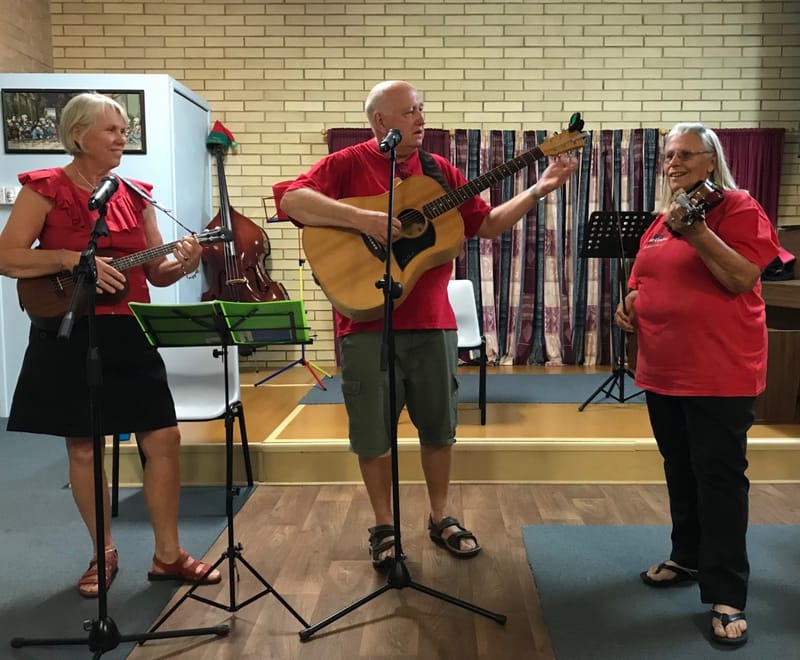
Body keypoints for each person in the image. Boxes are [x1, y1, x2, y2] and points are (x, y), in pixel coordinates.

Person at [280, 80, 579, 570]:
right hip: (365, 328)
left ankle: (440, 517)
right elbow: (293, 201)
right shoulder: (347, 163)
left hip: (433, 325)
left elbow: (487, 225)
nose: (421, 119)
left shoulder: (440, 173)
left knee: (439, 430)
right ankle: (383, 526)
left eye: (421, 110)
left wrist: (540, 188)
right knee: (373, 436)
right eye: (409, 111)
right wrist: (365, 220)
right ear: (380, 122)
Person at [0, 92, 221, 597]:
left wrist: (187, 260)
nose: (124, 139)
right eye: (112, 130)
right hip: (68, 330)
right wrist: (68, 259)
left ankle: (169, 554)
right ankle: (102, 552)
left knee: (163, 438)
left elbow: (157, 274)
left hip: (130, 329)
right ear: (78, 136)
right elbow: (8, 257)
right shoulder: (46, 189)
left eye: (125, 131)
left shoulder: (136, 193)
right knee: (83, 447)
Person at [615, 122, 780, 646]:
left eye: (685, 154)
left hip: (719, 370)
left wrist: (697, 230)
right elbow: (644, 279)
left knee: (720, 480)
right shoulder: (663, 219)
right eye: (668, 156)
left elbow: (741, 278)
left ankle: (728, 591)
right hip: (663, 369)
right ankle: (687, 557)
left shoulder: (738, 208)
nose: (673, 163)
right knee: (680, 469)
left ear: (712, 160)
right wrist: (631, 303)